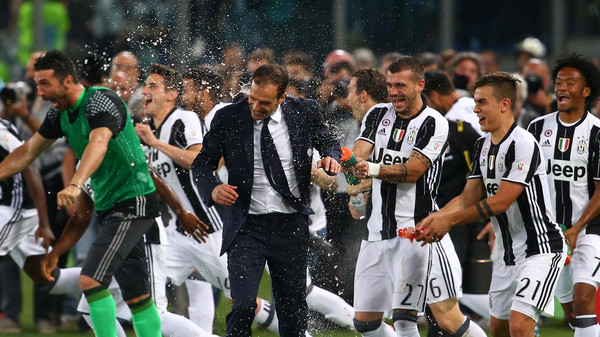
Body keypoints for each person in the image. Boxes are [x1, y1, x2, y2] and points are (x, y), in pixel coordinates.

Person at [0, 50, 161, 337]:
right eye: (38, 84)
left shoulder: (100, 100)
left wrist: (75, 184)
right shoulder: (59, 114)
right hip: (112, 207)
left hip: (133, 203)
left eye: (45, 84)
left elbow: (98, 142)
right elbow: (27, 151)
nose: (40, 92)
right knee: (138, 298)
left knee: (90, 281)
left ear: (68, 80)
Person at [192, 63, 341, 337]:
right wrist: (213, 189)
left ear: (282, 98)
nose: (255, 108)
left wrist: (332, 155)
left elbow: (327, 140)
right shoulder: (228, 117)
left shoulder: (304, 111)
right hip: (246, 226)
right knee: (243, 305)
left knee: (293, 308)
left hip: (291, 225)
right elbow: (202, 165)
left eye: (264, 103)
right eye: (252, 99)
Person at [417, 72, 565, 337]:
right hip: (507, 256)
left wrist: (448, 221)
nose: (475, 109)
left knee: (520, 327)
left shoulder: (523, 143)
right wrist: (435, 217)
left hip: (540, 250)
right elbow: (467, 196)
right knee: (498, 330)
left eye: (482, 102)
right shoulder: (482, 145)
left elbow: (500, 201)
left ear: (504, 104)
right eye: (475, 102)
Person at [527, 54, 600, 336]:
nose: (562, 88)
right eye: (558, 82)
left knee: (584, 300)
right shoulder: (537, 128)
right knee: (569, 311)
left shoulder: (596, 132)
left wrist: (577, 227)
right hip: (552, 233)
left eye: (571, 83)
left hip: (590, 228)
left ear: (586, 91)